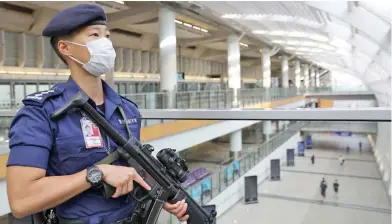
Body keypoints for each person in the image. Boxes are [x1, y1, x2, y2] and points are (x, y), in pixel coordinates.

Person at [6, 4, 188, 223]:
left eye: (107, 36)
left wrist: (161, 192)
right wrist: (96, 173)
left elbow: (130, 173)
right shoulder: (40, 113)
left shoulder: (127, 110)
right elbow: (21, 200)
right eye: (95, 35)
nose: (106, 43)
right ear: (66, 48)